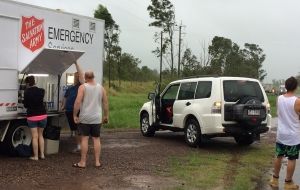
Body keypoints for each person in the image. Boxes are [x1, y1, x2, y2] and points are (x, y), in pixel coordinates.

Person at [72, 71, 108, 168]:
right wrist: (106, 116)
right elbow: (105, 103)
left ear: (85, 77)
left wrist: (75, 115)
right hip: (97, 117)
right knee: (96, 139)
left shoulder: (82, 87)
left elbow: (78, 102)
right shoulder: (101, 88)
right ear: (93, 76)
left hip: (85, 117)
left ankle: (83, 162)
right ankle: (97, 162)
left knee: (85, 138)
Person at [269, 76, 300, 189]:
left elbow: (279, 113)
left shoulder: (279, 98)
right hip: (293, 136)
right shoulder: (297, 101)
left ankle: (274, 180)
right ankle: (288, 183)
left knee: (279, 155)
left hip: (281, 134)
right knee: (292, 159)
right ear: (295, 87)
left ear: (286, 86)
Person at [61, 61, 84, 153]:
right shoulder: (70, 88)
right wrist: (63, 106)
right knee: (74, 129)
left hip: (78, 111)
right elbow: (65, 97)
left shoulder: (81, 87)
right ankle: (78, 146)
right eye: (75, 77)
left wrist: (76, 64)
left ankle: (81, 146)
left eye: (78, 77)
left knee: (79, 129)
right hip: (69, 111)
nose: (76, 78)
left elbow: (82, 76)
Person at [23, 76, 47, 161]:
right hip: (43, 115)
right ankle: (42, 155)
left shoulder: (26, 92)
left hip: (32, 116)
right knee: (41, 135)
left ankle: (36, 156)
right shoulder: (42, 91)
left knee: (34, 136)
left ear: (28, 83)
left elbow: (25, 105)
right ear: (34, 82)